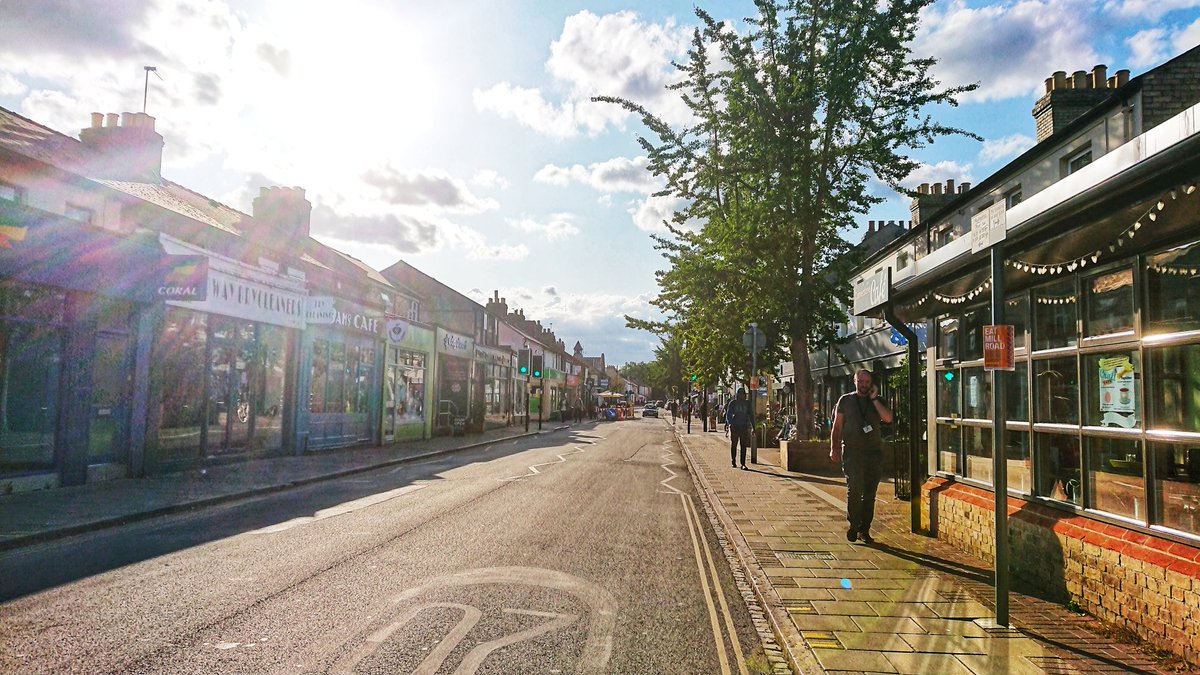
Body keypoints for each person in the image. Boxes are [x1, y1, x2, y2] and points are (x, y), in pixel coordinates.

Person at [830, 369, 894, 544]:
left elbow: (888, 418)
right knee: (855, 489)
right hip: (852, 451)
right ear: (855, 381)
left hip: (873, 452)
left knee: (869, 493)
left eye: (867, 382)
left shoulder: (878, 401)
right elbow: (837, 426)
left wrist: (874, 400)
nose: (864, 385)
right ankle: (853, 524)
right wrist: (834, 447)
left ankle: (864, 530)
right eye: (861, 381)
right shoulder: (846, 400)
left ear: (871, 382)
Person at [726, 389, 752, 469]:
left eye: (743, 394)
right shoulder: (733, 403)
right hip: (735, 426)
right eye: (740, 394)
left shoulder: (747, 403)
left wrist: (753, 426)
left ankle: (743, 463)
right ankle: (733, 460)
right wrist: (730, 423)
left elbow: (751, 415)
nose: (742, 396)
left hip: (744, 426)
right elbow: (728, 414)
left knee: (743, 445)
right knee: (734, 444)